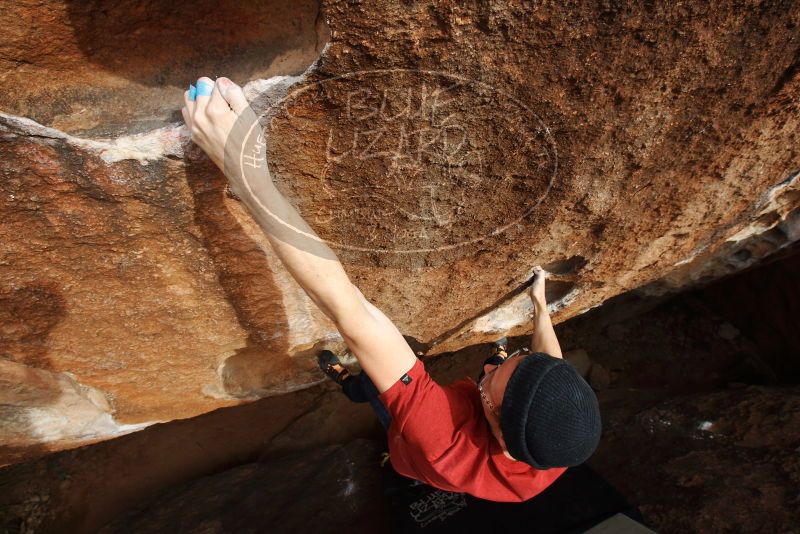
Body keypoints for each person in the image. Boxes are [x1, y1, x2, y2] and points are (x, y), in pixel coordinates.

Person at [181, 76, 602, 503]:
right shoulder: (563, 435)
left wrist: (244, 169)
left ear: (495, 423)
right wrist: (540, 306)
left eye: (490, 381)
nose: (488, 367)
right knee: (434, 383)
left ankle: (350, 384)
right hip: (478, 426)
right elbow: (551, 366)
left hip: (416, 451)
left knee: (385, 404)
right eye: (514, 358)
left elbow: (354, 315)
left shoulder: (442, 439)